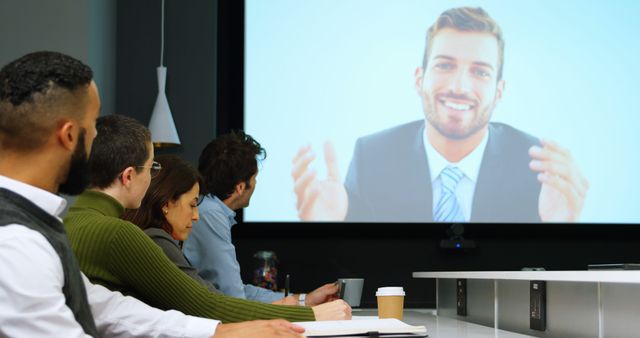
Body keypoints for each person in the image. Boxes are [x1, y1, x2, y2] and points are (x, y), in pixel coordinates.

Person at [0, 51, 305, 338]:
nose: (96, 137)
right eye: (92, 125)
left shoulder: (35, 225)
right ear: (68, 135)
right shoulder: (17, 241)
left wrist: (218, 331)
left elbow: (105, 307)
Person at [292, 6, 589, 223]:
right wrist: (329, 227)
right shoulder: (372, 157)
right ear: (418, 78)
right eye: (445, 65)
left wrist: (563, 228)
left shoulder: (538, 168)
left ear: (499, 91)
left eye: (480, 72)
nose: (460, 86)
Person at [64, 114, 351, 323]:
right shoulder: (118, 235)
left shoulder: (66, 223)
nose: (153, 177)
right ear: (128, 176)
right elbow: (209, 306)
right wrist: (310, 314)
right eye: (151, 167)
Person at [183, 131, 340, 306]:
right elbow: (236, 300)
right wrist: (301, 307)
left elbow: (237, 290)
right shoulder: (211, 214)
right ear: (241, 187)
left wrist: (303, 300)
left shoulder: (209, 209)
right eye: (255, 178)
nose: (256, 184)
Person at [122, 154, 220, 293]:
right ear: (165, 204)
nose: (196, 216)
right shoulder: (156, 240)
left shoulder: (145, 235)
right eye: (192, 205)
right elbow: (205, 298)